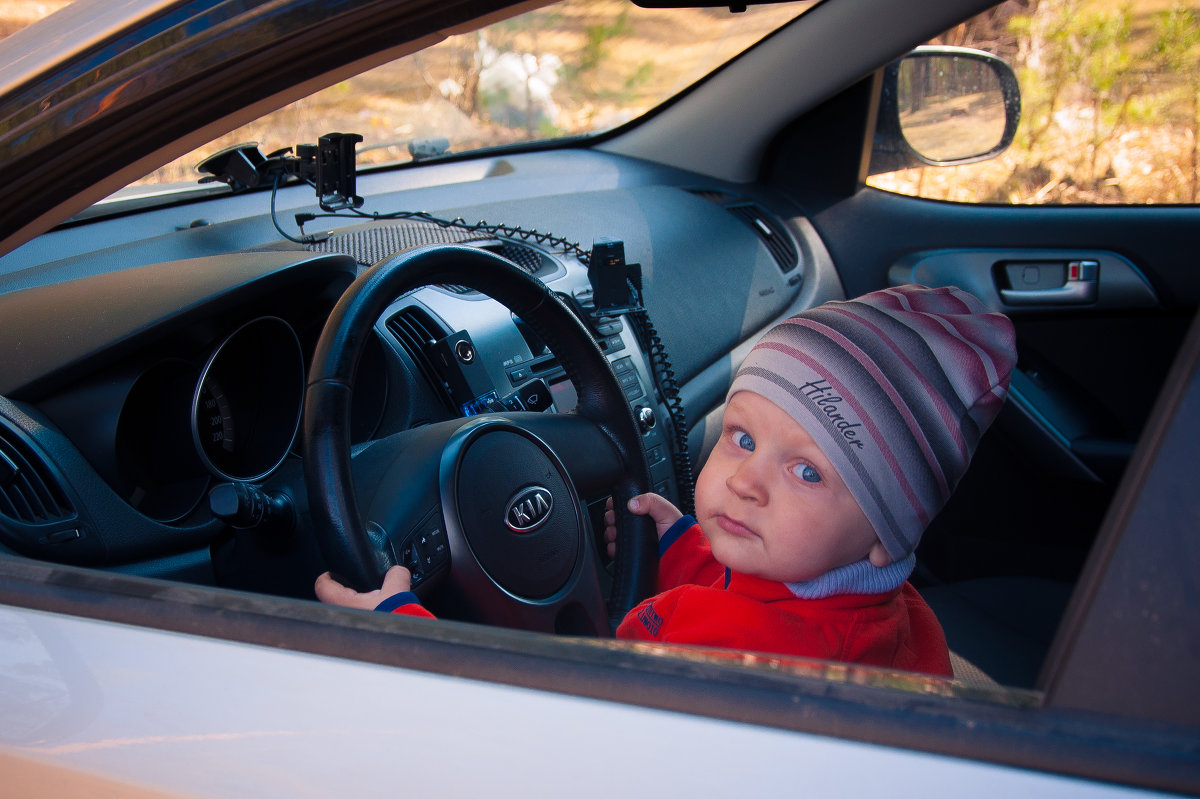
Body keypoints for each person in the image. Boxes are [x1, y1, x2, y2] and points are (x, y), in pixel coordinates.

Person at [316, 284, 1016, 677]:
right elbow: (777, 593)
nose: (745, 482)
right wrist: (681, 542)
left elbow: (547, 738)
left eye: (807, 471)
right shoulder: (889, 608)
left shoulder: (733, 661)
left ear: (885, 530)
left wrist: (400, 635)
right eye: (742, 437)